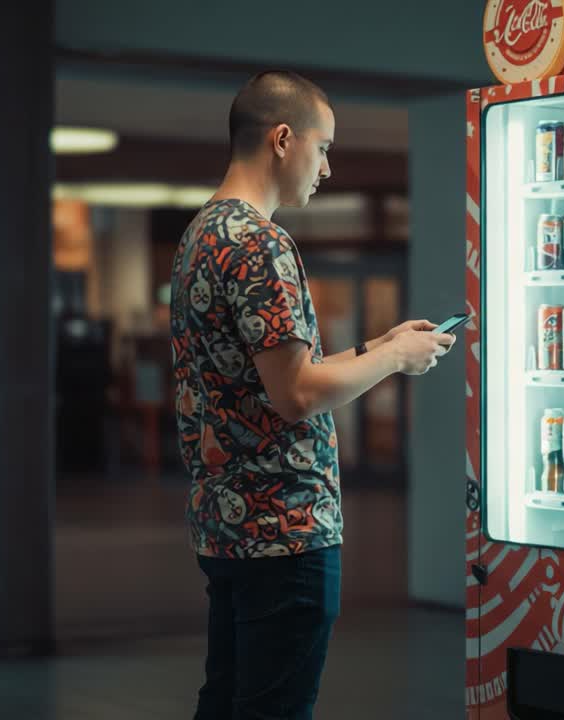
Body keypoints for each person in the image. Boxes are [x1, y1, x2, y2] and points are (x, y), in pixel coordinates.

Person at [170, 70, 454, 720]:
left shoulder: (200, 238)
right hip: (285, 532)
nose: (326, 168)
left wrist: (377, 345)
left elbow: (265, 377)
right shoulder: (262, 245)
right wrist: (393, 358)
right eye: (323, 147)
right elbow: (296, 395)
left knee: (225, 703)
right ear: (282, 139)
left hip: (225, 525)